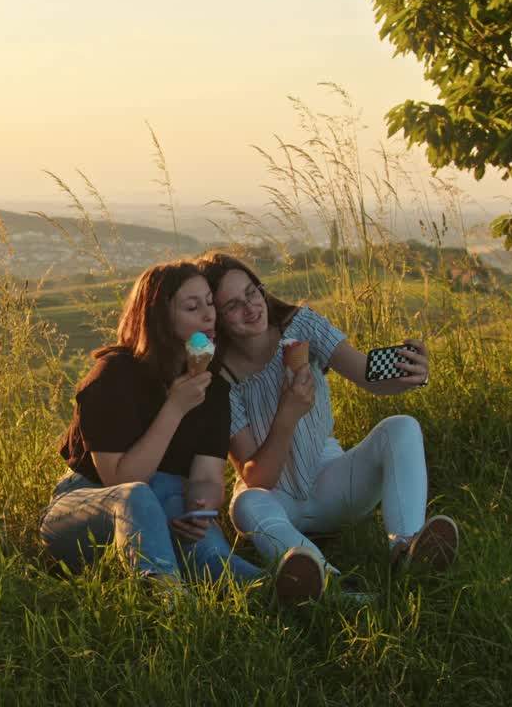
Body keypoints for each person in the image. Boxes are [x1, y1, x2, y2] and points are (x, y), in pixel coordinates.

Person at [195, 251, 459, 602]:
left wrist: (414, 373)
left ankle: (407, 549)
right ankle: (329, 584)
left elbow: (367, 373)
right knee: (246, 505)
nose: (250, 308)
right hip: (276, 499)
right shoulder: (218, 377)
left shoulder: (302, 325)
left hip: (333, 481)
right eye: (232, 305)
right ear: (218, 317)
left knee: (402, 426)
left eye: (252, 292)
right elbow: (256, 477)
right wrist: (287, 415)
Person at [39, 260, 262, 587]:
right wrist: (174, 407)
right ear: (158, 317)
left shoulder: (212, 389)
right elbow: (121, 479)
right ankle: (168, 601)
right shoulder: (114, 376)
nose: (208, 314)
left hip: (167, 498)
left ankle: (295, 589)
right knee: (136, 497)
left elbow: (208, 477)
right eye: (192, 307)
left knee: (212, 554)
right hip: (87, 507)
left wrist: (199, 507)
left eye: (210, 303)